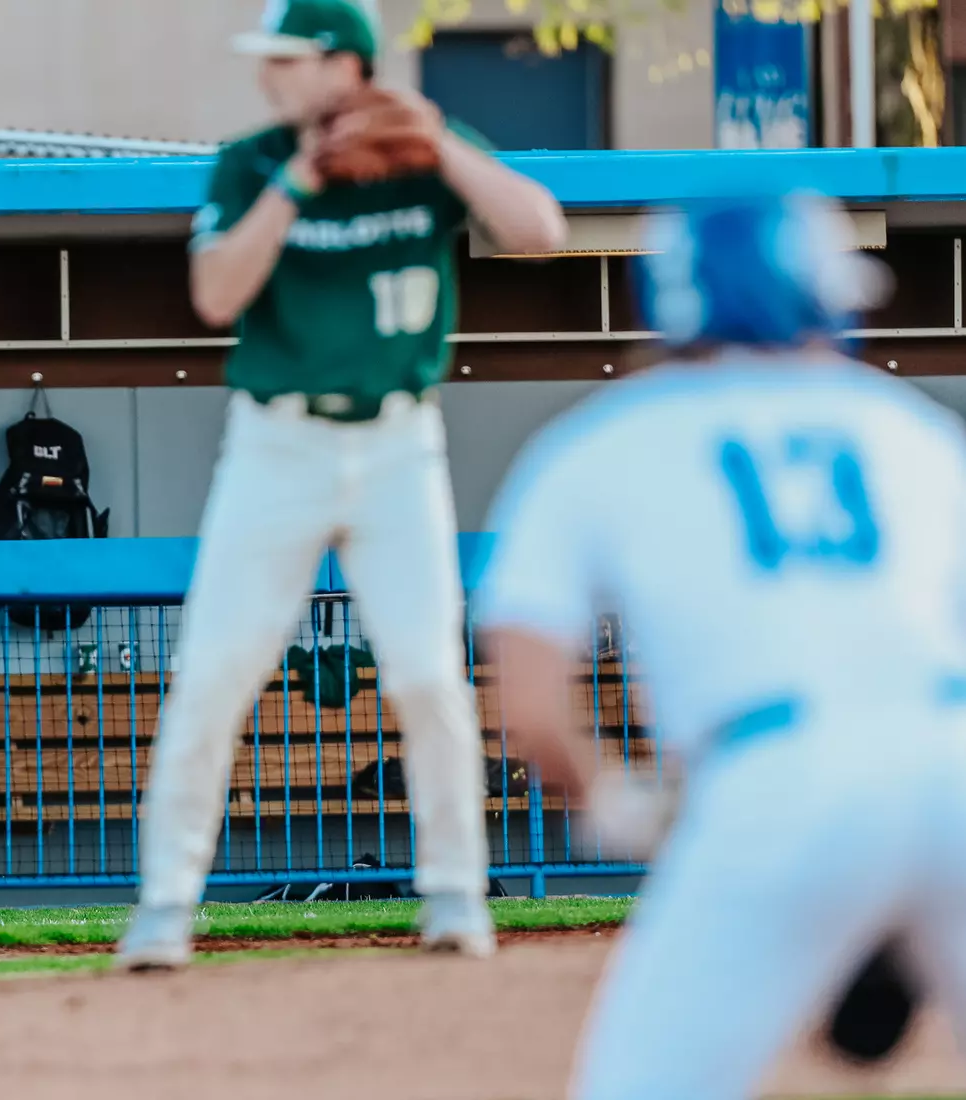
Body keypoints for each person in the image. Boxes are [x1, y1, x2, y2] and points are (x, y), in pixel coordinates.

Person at [473, 191, 966, 1100]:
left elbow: (532, 707)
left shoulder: (595, 443)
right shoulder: (916, 430)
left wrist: (616, 800)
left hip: (778, 774)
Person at [116, 0, 566, 969]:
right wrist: (299, 176)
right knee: (216, 671)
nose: (271, 74)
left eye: (291, 58)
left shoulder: (422, 145)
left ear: (346, 66)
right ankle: (164, 906)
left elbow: (540, 228)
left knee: (426, 673)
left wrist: (442, 144)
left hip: (402, 443)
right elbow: (216, 293)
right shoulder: (250, 161)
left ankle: (454, 896)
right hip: (278, 442)